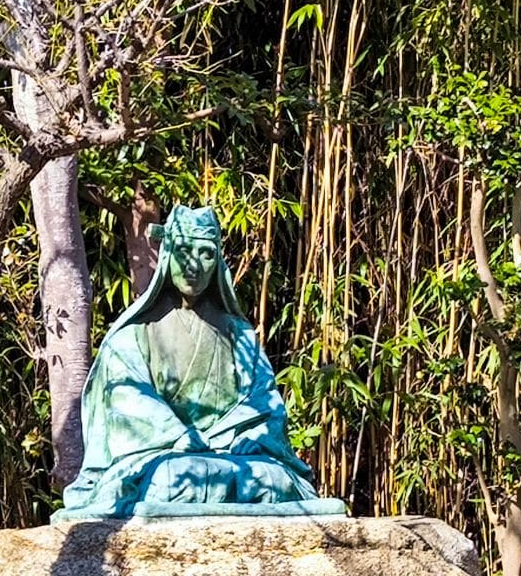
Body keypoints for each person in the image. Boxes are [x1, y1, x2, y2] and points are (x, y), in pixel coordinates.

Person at [53, 205, 341, 520]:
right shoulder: (133, 335)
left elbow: (264, 398)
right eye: (184, 250)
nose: (195, 264)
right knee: (175, 481)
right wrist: (177, 435)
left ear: (217, 259)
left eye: (206, 254)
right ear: (166, 253)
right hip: (164, 455)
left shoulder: (238, 333)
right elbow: (126, 395)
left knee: (274, 482)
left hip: (233, 456)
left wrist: (250, 436)